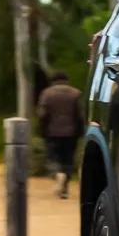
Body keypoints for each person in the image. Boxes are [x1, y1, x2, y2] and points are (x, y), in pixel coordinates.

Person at [37, 71, 83, 199]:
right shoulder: (75, 93)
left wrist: (42, 130)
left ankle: (57, 173)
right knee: (68, 159)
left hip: (52, 132)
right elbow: (80, 115)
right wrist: (80, 131)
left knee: (53, 157)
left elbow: (42, 115)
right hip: (71, 132)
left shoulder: (47, 94)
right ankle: (64, 191)